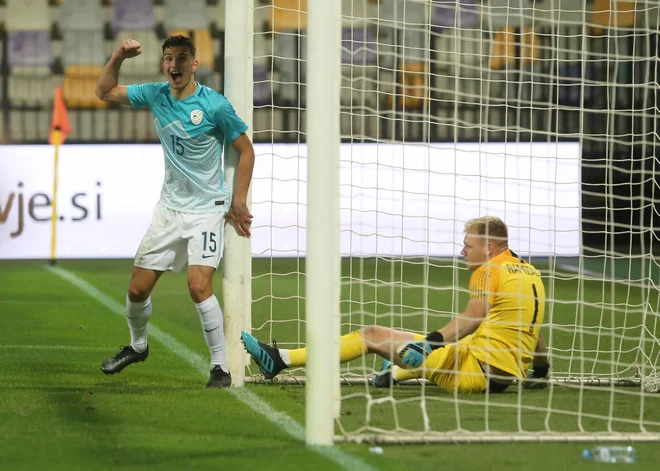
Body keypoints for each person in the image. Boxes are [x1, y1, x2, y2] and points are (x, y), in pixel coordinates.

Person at [95, 36, 255, 388]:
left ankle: (219, 367)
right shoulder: (156, 95)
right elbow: (104, 92)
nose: (174, 64)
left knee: (198, 286)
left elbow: (246, 150)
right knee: (137, 291)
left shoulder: (214, 105)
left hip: (206, 211)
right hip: (169, 210)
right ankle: (138, 346)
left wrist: (238, 200)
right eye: (169, 58)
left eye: (182, 58)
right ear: (163, 64)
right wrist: (119, 55)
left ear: (194, 65)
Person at [241, 216, 551, 394]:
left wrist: (430, 343)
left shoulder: (488, 271)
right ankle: (396, 372)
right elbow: (528, 329)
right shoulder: (528, 272)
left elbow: (473, 317)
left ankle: (280, 359)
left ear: (490, 247)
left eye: (468, 246)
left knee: (373, 334)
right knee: (450, 342)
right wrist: (541, 369)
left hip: (474, 373)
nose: (462, 251)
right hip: (500, 373)